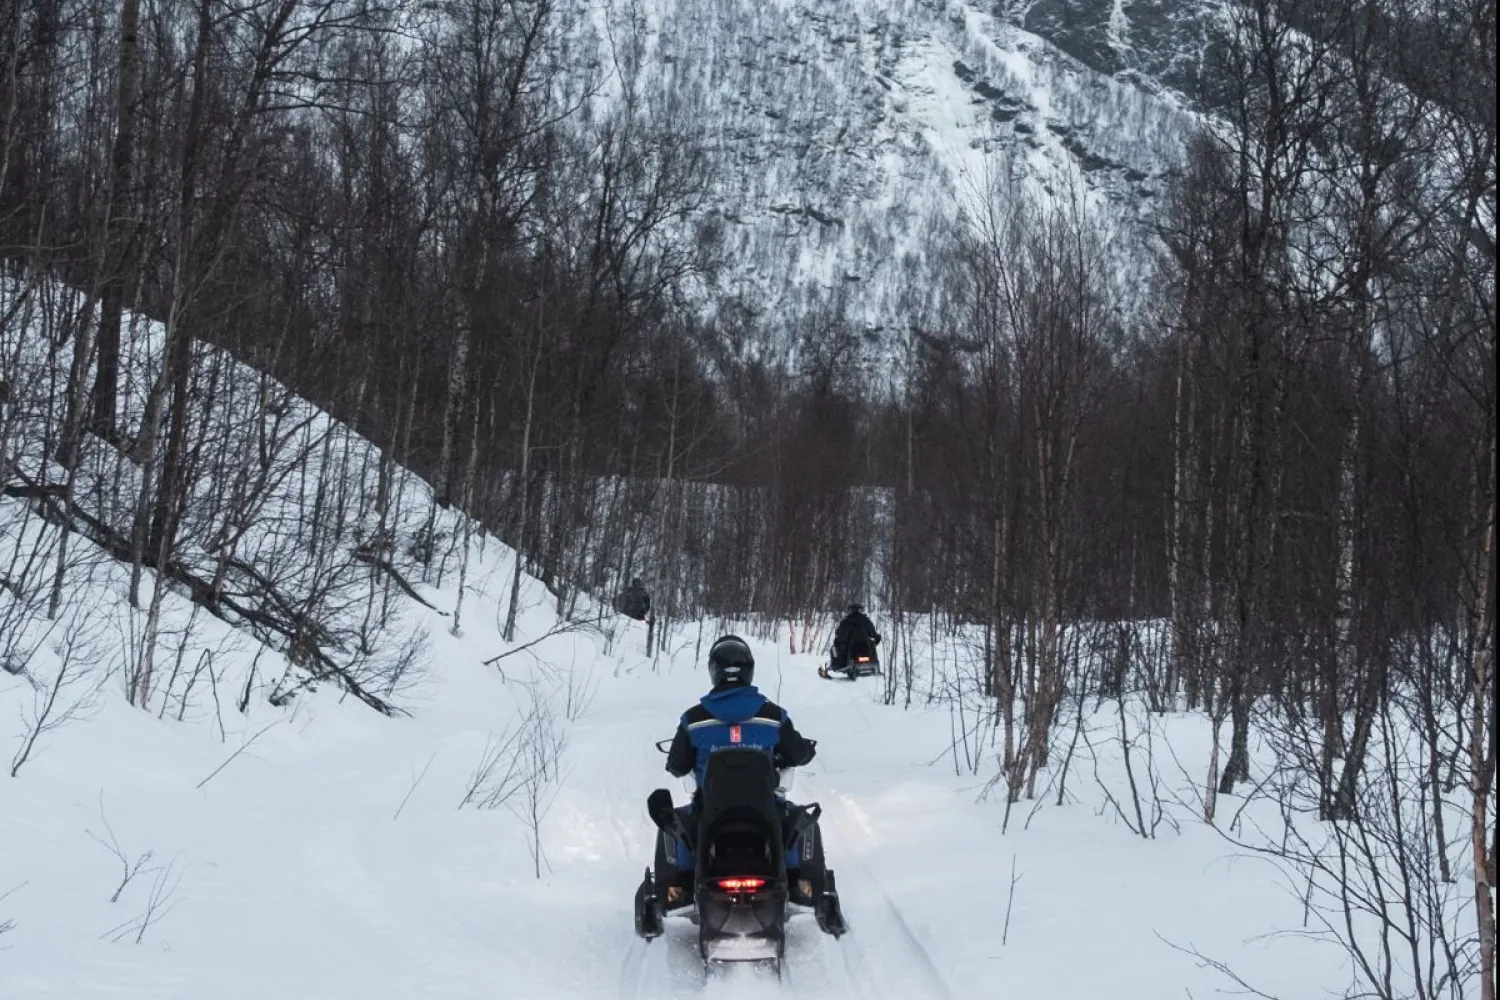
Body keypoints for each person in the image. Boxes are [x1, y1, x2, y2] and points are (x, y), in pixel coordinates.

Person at [656, 634, 826, 904]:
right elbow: (797, 753)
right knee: (801, 818)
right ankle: (809, 889)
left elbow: (677, 764)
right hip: (765, 809)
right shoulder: (773, 716)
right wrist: (805, 751)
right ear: (749, 670)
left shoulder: (693, 720)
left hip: (711, 811)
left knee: (672, 822)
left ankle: (674, 891)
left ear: (714, 671)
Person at [826, 603, 879, 676]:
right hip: (865, 646)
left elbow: (839, 633)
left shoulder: (846, 621)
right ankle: (874, 664)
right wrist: (877, 638)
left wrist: (839, 640)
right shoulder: (866, 620)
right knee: (872, 644)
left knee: (835, 647)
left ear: (850, 610)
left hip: (852, 647)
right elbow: (873, 633)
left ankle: (838, 665)